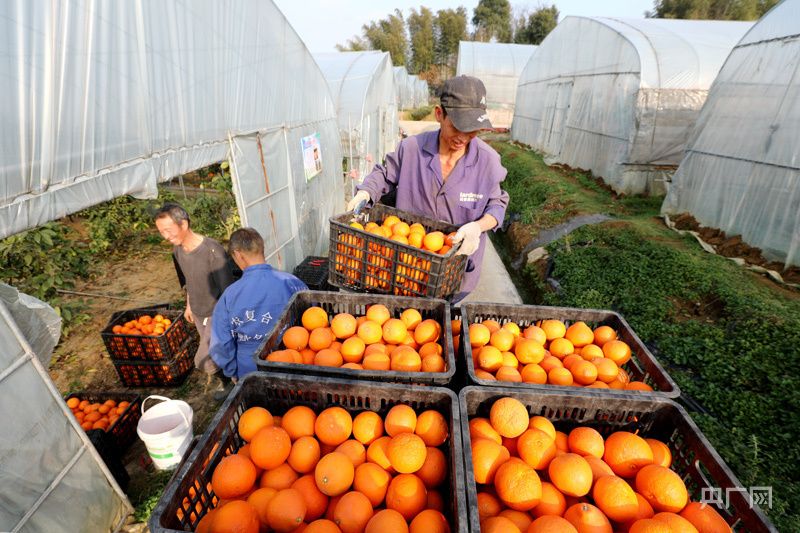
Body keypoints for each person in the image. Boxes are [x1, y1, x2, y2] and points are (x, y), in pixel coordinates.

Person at [347, 75, 509, 302]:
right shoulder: (412, 148)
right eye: (457, 126)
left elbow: (497, 204)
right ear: (439, 114)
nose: (463, 137)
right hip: (405, 268)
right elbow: (385, 174)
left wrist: (478, 227)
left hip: (454, 272)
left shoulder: (488, 161)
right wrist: (366, 191)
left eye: (472, 129)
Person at [208, 228, 307, 398]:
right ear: (262, 249)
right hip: (294, 365)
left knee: (260, 417)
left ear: (238, 255)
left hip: (250, 373)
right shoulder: (292, 283)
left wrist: (233, 371)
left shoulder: (230, 296)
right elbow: (313, 317)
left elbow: (221, 343)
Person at [154, 203, 235, 390]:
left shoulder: (212, 251)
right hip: (199, 312)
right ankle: (226, 382)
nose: (165, 236)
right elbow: (188, 281)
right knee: (216, 354)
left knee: (205, 358)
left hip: (216, 313)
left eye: (168, 230)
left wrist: (221, 320)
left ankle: (230, 383)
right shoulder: (178, 251)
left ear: (183, 224)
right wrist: (189, 305)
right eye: (161, 232)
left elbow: (228, 292)